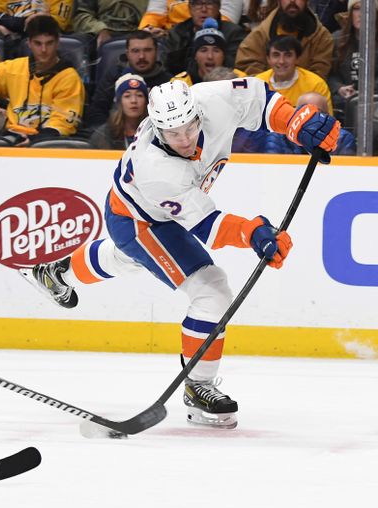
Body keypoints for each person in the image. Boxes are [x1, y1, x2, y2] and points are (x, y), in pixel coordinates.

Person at [20, 78, 340, 429]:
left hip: (143, 209)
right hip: (138, 220)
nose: (185, 139)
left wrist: (294, 122)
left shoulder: (212, 98)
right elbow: (207, 226)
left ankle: (56, 273)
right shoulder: (157, 169)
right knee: (211, 289)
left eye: (189, 128)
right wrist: (253, 233)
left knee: (131, 258)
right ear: (157, 128)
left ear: (197, 113)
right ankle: (198, 385)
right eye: (173, 134)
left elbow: (260, 99)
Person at [0, 15, 85, 146]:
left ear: (57, 42)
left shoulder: (70, 78)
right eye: (38, 43)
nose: (44, 50)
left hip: (47, 144)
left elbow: (63, 123)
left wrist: (34, 141)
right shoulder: (13, 67)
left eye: (49, 43)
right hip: (10, 137)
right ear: (29, 43)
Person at [85, 30, 171, 129]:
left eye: (147, 50)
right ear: (127, 53)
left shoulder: (167, 82)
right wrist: (110, 133)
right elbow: (97, 111)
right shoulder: (114, 75)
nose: (141, 56)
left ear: (156, 52)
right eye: (135, 51)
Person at [235, 0, 334, 78]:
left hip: (305, 93)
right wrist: (270, 85)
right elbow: (247, 64)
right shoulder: (261, 33)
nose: (292, 1)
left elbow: (319, 73)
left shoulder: (321, 37)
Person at [163, 0, 245, 76]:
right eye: (198, 4)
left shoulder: (233, 33)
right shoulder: (177, 32)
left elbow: (234, 67)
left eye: (209, 3)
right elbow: (166, 66)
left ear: (218, 6)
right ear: (190, 8)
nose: (204, 9)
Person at [254, 35, 333, 113]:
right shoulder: (257, 84)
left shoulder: (316, 85)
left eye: (288, 55)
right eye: (276, 55)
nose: (281, 61)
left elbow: (327, 119)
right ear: (268, 59)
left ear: (297, 59)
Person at [264, 91, 355, 154]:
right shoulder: (277, 137)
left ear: (328, 115)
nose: (310, 119)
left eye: (317, 114)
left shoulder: (343, 138)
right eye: (305, 113)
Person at [171, 19, 246, 86]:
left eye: (216, 51)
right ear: (195, 56)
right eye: (203, 50)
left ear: (223, 56)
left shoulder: (239, 79)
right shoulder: (180, 83)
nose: (210, 56)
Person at [89, 73, 148, 149]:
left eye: (139, 95)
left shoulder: (156, 133)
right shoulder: (102, 136)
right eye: (127, 96)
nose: (134, 101)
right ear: (119, 102)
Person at [72, 0, 149, 51]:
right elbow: (80, 17)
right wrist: (100, 29)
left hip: (139, 35)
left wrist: (148, 28)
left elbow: (154, 17)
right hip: (99, 36)